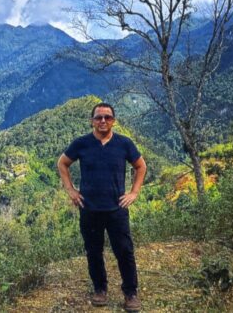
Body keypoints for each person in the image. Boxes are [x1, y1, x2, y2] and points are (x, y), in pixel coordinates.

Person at [57, 102, 147, 311]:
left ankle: (130, 293)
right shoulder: (82, 144)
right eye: (98, 117)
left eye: (107, 117)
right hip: (89, 209)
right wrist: (70, 190)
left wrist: (134, 192)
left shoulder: (124, 144)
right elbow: (62, 163)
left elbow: (140, 166)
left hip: (117, 209)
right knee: (93, 251)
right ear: (92, 121)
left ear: (114, 120)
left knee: (124, 251)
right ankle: (100, 289)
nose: (103, 121)